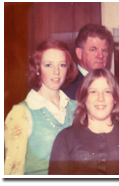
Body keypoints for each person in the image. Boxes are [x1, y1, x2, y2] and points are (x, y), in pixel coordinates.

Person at [48, 68, 119, 175]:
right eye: (93, 92)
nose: (100, 98)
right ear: (84, 98)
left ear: (115, 98)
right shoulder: (65, 138)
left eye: (107, 91)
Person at [4, 40, 78, 175]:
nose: (56, 71)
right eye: (48, 65)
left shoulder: (77, 108)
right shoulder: (21, 113)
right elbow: (12, 171)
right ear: (37, 68)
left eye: (62, 65)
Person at [62, 23, 113, 100]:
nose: (101, 55)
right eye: (93, 50)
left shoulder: (112, 83)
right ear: (79, 53)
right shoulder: (67, 87)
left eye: (104, 50)